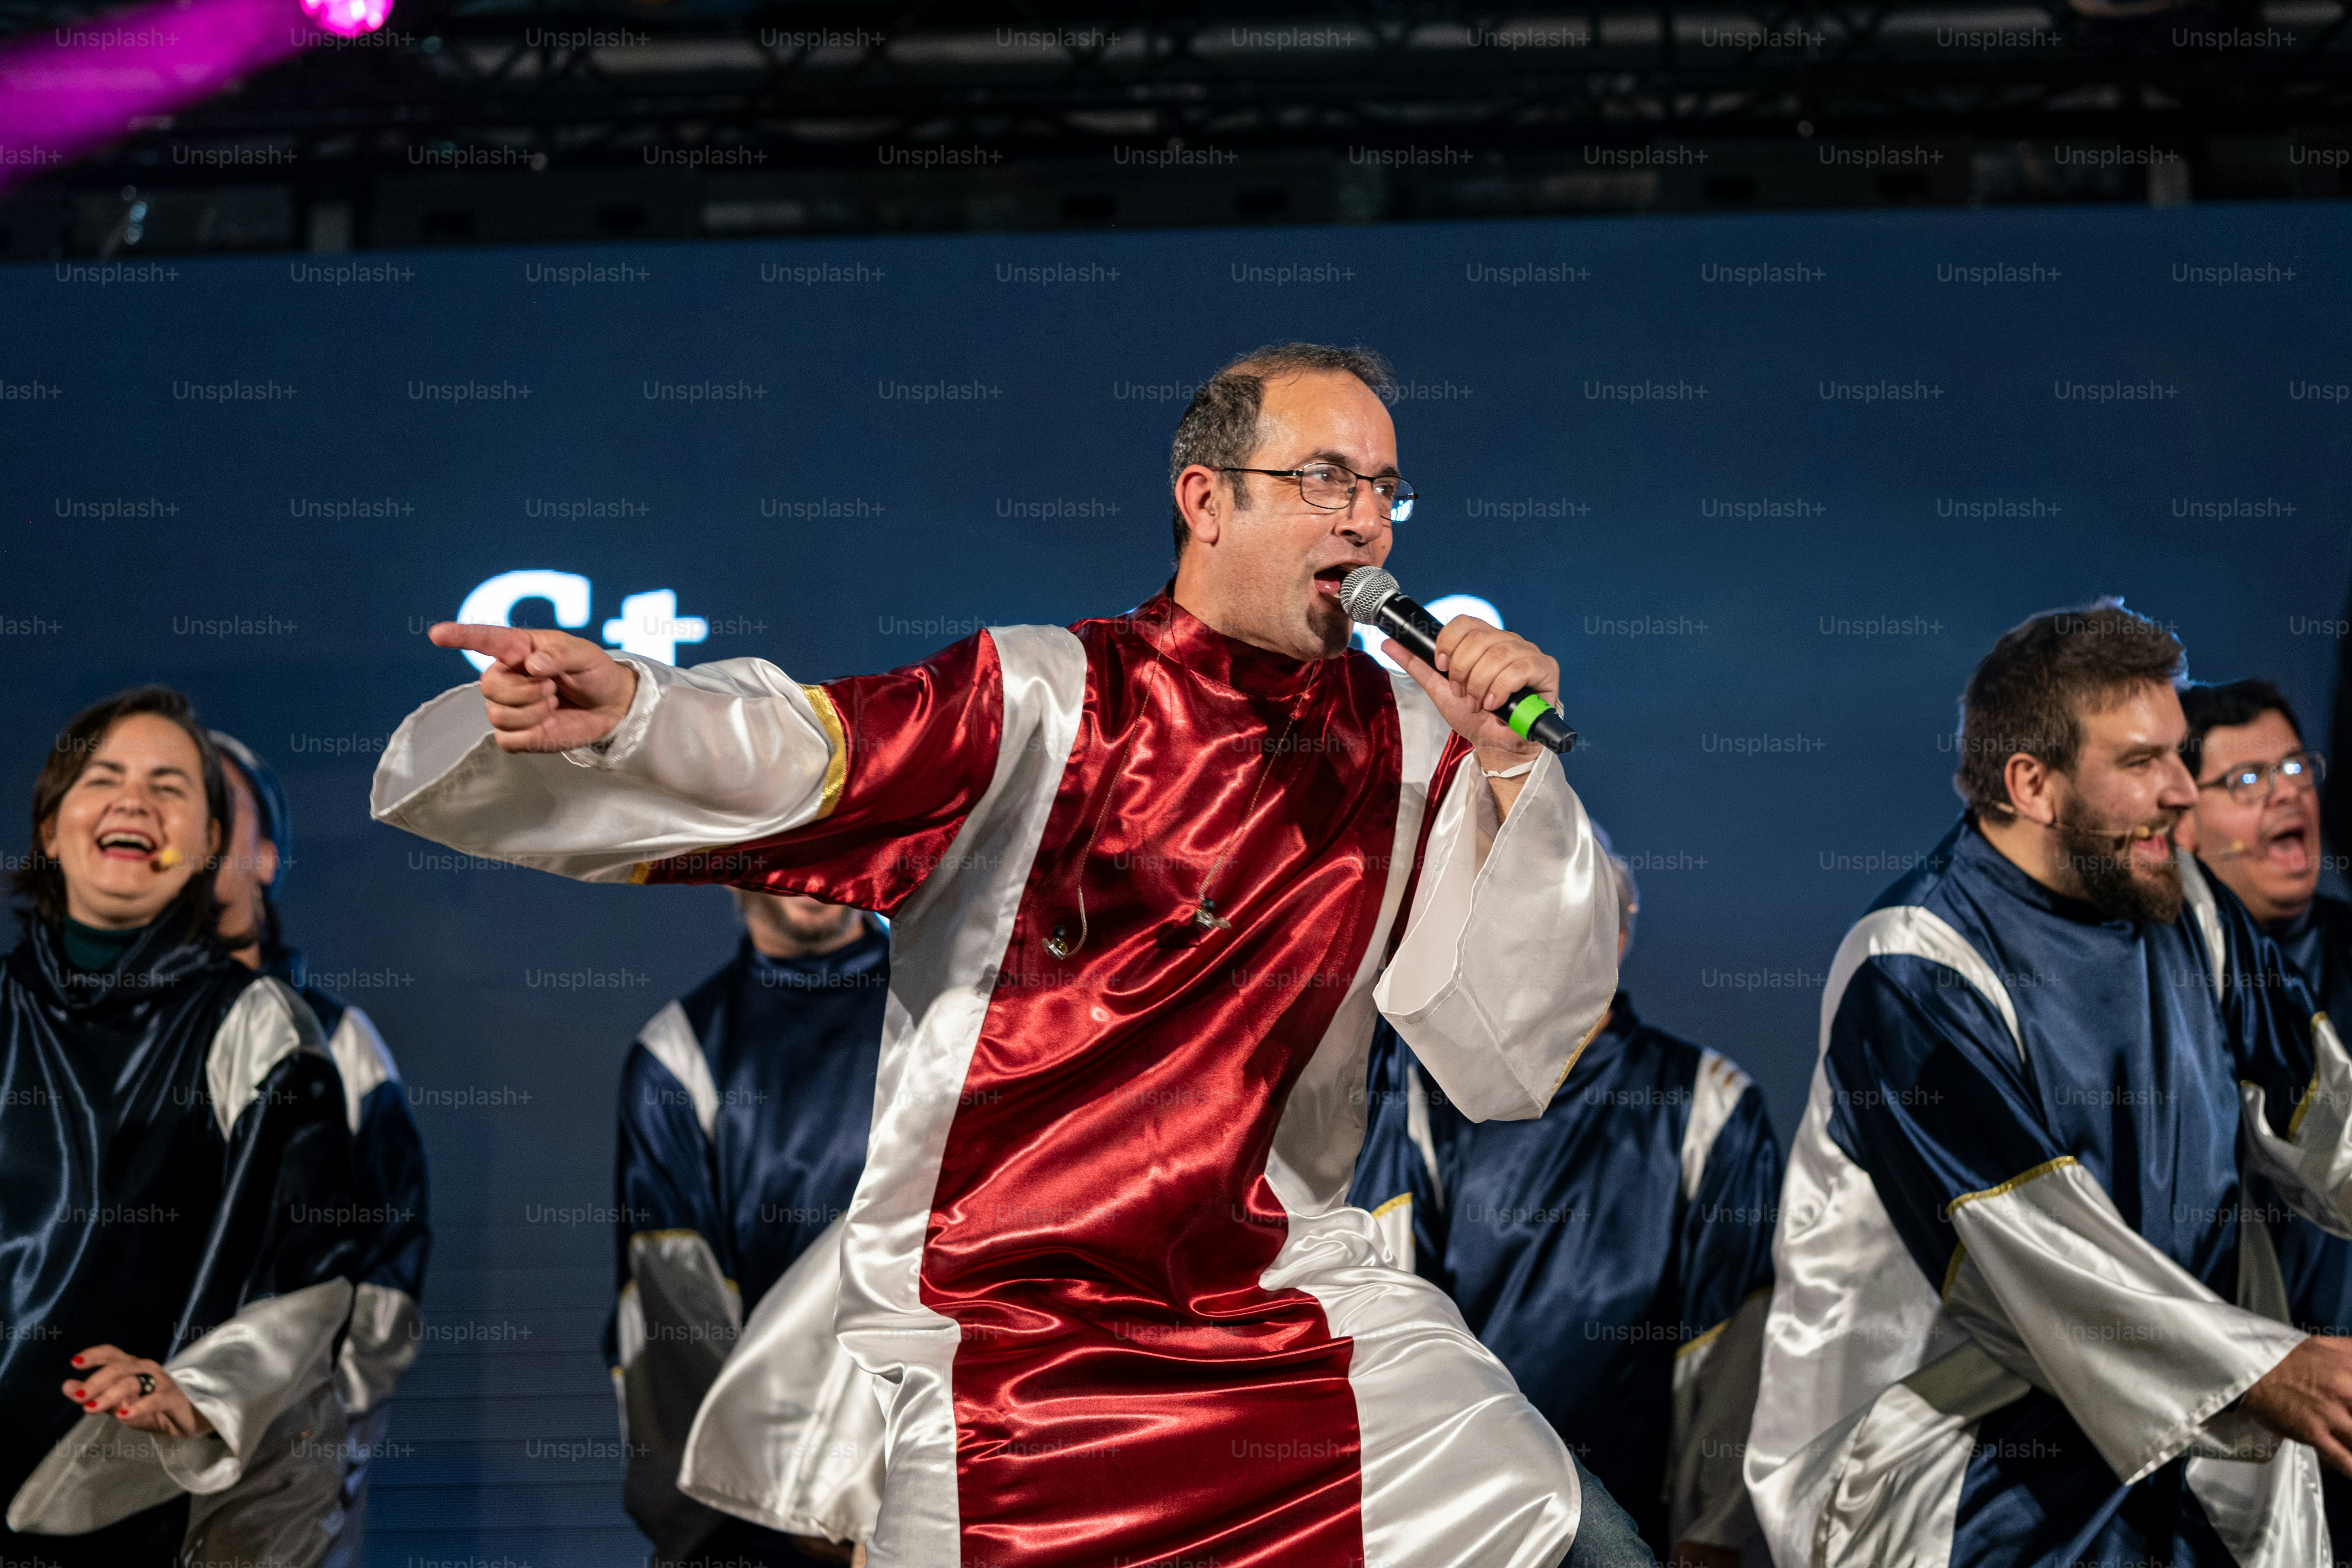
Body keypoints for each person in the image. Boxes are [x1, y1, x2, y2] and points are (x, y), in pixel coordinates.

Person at [371, 341, 1639, 1567]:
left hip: (1283, 1309)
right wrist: (639, 713)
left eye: (1383, 488)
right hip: (1016, 1346)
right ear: (1205, 498)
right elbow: (803, 756)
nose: (1365, 522)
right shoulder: (1049, 701)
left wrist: (1512, 765)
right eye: (1324, 480)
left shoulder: (1410, 743)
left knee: (1559, 1527)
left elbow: (1511, 1046)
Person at [1746, 601, 2352, 1567]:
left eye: (2180, 754)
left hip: (2181, 1420)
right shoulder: (1912, 964)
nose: (2183, 793)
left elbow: (2324, 1117)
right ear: (2031, 782)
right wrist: (2269, 1366)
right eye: (2142, 762)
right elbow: (2035, 1260)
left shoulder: (2187, 905)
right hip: (1954, 1456)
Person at [1, 687, 363, 1568]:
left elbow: (309, 1264)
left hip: (142, 1498)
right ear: (50, 828)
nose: (134, 801)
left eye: (170, 787)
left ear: (208, 847)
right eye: (105, 777)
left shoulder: (257, 1025)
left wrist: (197, 1391)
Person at [1349, 830, 1779, 1567]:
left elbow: (1740, 1340)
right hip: (1460, 1517)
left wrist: (1714, 1528)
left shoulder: (1710, 1102)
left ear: (1617, 934)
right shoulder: (1430, 1086)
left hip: (1640, 1522)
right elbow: (1384, 1298)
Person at [607, 888, 886, 1566]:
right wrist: (791, 1506)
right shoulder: (680, 1053)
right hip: (761, 1526)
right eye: (784, 835)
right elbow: (673, 1320)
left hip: (946, 1486)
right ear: (732, 862)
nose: (809, 872)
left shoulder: (963, 1016)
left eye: (829, 831)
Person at [208, 730, 433, 1568]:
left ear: (266, 857)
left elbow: (389, 1256)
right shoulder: (84, 1042)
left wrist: (328, 1427)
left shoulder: (336, 1041)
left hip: (279, 1482)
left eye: (213, 805)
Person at [2176, 679, 2352, 1560]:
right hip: (2218, 1444)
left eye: (2294, 767)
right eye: (2246, 780)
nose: (2286, 791)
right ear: (2184, 819)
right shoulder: (2150, 999)